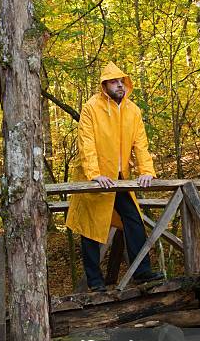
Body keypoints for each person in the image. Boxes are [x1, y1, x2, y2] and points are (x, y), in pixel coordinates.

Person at [66, 61, 164, 291]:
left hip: (120, 177)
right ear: (104, 85)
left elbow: (141, 144)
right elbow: (86, 143)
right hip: (94, 177)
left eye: (122, 81)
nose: (119, 85)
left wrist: (147, 171)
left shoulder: (133, 110)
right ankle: (96, 282)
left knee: (133, 220)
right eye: (114, 82)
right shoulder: (91, 107)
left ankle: (142, 271)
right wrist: (94, 174)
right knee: (90, 229)